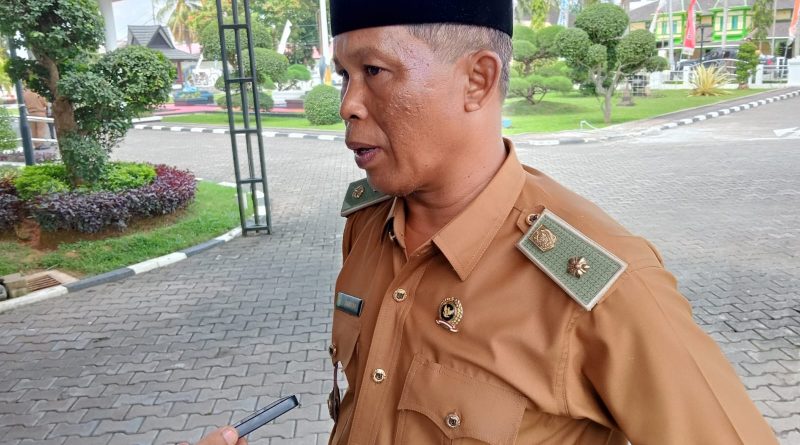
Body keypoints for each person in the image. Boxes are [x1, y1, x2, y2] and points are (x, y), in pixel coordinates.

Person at [190, 1, 778, 444]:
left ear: (478, 79)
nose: (347, 103)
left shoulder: (601, 284)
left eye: (374, 70)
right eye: (344, 75)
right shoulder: (368, 224)